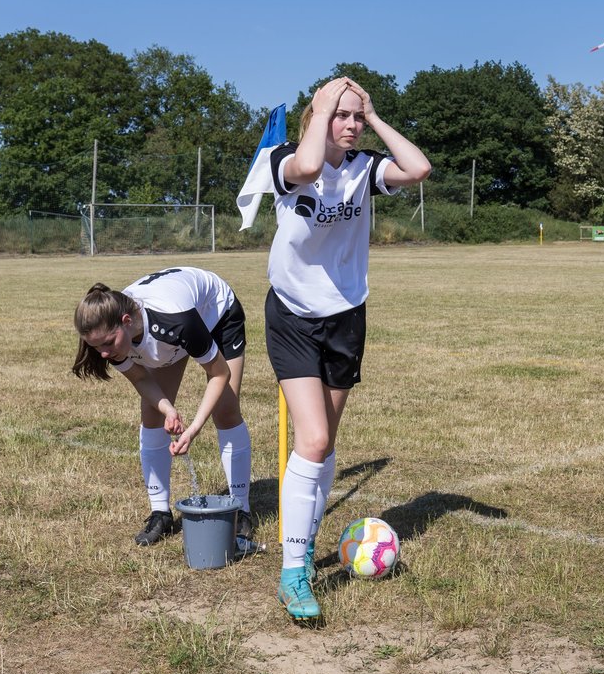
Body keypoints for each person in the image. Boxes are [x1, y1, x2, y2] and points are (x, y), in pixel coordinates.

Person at [261, 76, 430, 620]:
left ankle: (305, 546)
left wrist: (375, 116)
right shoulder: (283, 156)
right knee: (311, 438)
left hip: (345, 316)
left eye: (358, 117)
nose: (353, 125)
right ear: (319, 113)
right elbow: (308, 169)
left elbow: (419, 169)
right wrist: (321, 109)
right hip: (291, 315)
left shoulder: (365, 168)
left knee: (325, 442)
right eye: (344, 115)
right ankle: (293, 575)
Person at [72, 267, 257, 555]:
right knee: (153, 415)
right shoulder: (113, 340)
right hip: (170, 332)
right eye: (96, 347)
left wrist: (193, 428)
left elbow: (219, 374)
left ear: (126, 321)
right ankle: (160, 513)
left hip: (214, 313)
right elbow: (142, 379)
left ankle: (241, 509)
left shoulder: (175, 321)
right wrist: (168, 409)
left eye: (107, 344)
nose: (104, 354)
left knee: (226, 410)